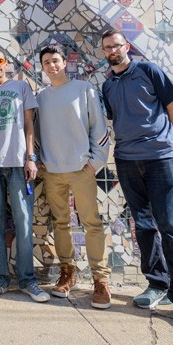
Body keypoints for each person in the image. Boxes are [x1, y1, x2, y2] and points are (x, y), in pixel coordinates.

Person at [99, 29, 173, 330]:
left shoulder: (149, 70)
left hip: (161, 159)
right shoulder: (107, 85)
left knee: (171, 226)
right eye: (107, 48)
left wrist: (168, 142)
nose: (112, 51)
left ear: (126, 46)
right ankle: (157, 284)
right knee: (143, 225)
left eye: (116, 45)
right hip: (127, 160)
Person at [0, 49, 50, 303]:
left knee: (23, 219)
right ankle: (0, 279)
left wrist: (30, 157)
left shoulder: (20, 87)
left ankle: (27, 280)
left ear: (7, 64)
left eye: (0, 61)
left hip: (18, 164)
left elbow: (29, 125)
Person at [36, 46, 112, 309]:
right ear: (42, 67)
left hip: (82, 170)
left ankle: (100, 280)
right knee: (61, 223)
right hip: (52, 172)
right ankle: (67, 272)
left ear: (65, 62)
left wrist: (95, 163)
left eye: (55, 60)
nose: (51, 65)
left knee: (91, 222)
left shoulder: (84, 89)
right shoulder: (41, 97)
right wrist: (41, 159)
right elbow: (34, 132)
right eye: (46, 62)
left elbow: (99, 128)